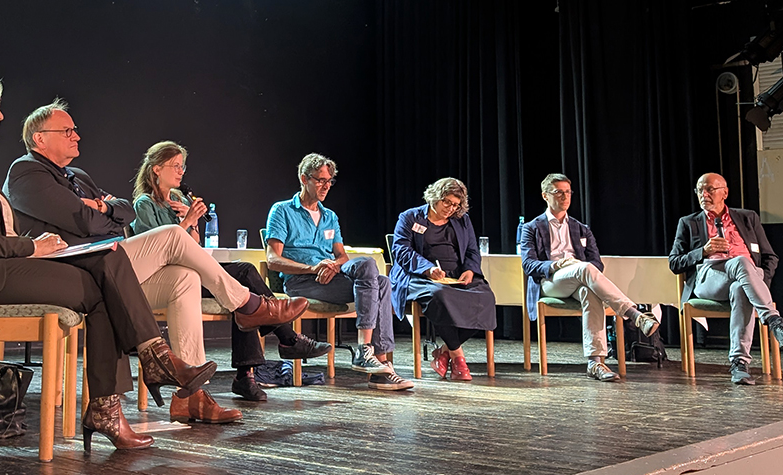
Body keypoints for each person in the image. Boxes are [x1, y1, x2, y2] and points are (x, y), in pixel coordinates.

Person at [0, 68, 214, 452]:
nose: (1, 115)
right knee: (102, 284)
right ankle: (138, 375)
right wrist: (32, 247)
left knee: (106, 262)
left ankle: (136, 379)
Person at [3, 100, 308, 424]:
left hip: (110, 265)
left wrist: (101, 207)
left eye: (74, 129)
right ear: (40, 138)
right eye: (67, 131)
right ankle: (249, 306)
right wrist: (99, 212)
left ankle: (191, 397)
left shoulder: (77, 175)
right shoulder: (26, 172)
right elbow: (83, 221)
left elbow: (122, 212)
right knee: (173, 236)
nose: (76, 136)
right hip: (75, 271)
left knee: (185, 279)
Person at [132, 141, 331, 403]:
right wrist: (187, 220)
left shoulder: (178, 200)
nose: (181, 171)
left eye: (183, 166)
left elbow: (193, 247)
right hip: (170, 280)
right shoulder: (145, 204)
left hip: (192, 272)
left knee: (244, 277)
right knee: (244, 286)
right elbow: (160, 251)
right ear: (157, 169)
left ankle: (250, 372)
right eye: (176, 166)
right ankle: (282, 342)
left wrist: (192, 223)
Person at [265, 153, 414, 391]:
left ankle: (372, 358)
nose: (326, 186)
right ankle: (376, 362)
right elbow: (273, 260)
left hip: (332, 277)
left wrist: (334, 265)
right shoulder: (282, 211)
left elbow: (342, 255)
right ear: (304, 179)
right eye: (320, 180)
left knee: (377, 275)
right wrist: (313, 268)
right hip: (302, 281)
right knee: (380, 283)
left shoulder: (330, 216)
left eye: (329, 181)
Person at [519, 173, 660, 382]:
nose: (565, 197)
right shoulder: (531, 227)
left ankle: (595, 362)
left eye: (568, 192)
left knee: (589, 291)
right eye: (558, 192)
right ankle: (633, 313)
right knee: (584, 268)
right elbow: (528, 264)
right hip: (551, 281)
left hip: (579, 279)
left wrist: (578, 266)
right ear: (545, 195)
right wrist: (557, 265)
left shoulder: (581, 228)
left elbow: (597, 264)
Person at [669, 172, 783, 385]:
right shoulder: (689, 223)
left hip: (747, 276)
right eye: (699, 190)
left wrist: (758, 285)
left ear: (725, 193)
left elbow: (770, 257)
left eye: (710, 190)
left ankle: (739, 364)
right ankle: (774, 321)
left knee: (741, 288)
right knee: (740, 262)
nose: (704, 195)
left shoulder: (748, 218)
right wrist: (703, 251)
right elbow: (674, 263)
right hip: (710, 278)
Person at [390, 178, 496, 381]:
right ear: (434, 197)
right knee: (439, 295)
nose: (450, 208)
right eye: (446, 202)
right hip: (418, 276)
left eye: (456, 205)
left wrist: (470, 270)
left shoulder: (462, 220)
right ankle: (458, 357)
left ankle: (445, 351)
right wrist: (428, 269)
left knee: (485, 298)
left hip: (455, 275)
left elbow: (472, 250)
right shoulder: (410, 217)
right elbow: (401, 250)